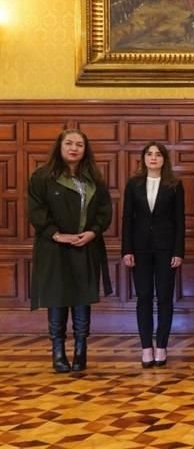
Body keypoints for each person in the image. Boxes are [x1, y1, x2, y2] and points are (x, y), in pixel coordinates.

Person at [28, 128, 112, 373]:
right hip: (54, 248)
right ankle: (58, 353)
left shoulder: (94, 179)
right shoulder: (42, 177)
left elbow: (104, 211)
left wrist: (93, 232)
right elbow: (36, 211)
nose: (74, 148)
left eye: (79, 144)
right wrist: (57, 234)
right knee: (57, 299)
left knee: (82, 299)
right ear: (60, 147)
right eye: (69, 143)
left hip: (86, 246)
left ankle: (80, 352)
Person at [121, 142, 185, 369]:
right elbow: (127, 219)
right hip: (139, 249)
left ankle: (162, 347)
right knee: (144, 297)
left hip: (166, 249)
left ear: (164, 159)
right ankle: (146, 347)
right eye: (149, 154)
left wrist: (179, 251)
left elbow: (179, 221)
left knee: (165, 297)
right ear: (143, 158)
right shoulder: (133, 184)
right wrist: (126, 249)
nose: (153, 158)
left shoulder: (174, 185)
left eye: (158, 154)